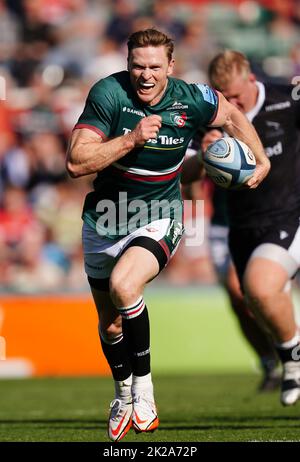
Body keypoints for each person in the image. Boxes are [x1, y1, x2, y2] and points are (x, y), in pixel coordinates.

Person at [66, 30, 270, 442]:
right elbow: (76, 161)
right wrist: (131, 139)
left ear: (170, 68)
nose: (145, 75)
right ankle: (123, 393)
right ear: (127, 64)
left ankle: (144, 391)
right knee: (109, 326)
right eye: (138, 66)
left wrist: (261, 159)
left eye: (155, 67)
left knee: (126, 287)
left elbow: (231, 115)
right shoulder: (108, 95)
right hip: (106, 218)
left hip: (159, 215)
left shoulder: (191, 97)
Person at [197, 50, 300, 406]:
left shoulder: (286, 99)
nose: (232, 104)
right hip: (240, 225)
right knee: (252, 298)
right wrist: (202, 159)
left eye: (237, 97)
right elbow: (187, 177)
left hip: (289, 215)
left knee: (260, 285)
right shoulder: (208, 116)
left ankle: (291, 358)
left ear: (252, 81)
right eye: (225, 97)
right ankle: (287, 356)